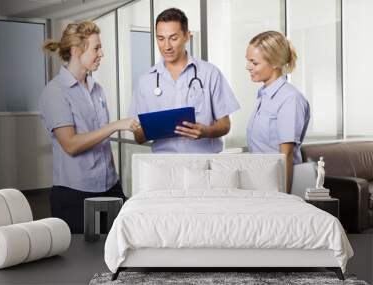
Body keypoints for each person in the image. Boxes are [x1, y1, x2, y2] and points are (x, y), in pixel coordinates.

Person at [39, 21, 139, 233]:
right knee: (78, 260)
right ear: (76, 50)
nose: (101, 53)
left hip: (110, 187)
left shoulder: (97, 89)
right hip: (75, 193)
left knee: (117, 250)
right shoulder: (56, 92)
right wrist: (116, 125)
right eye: (96, 48)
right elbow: (71, 145)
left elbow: (100, 140)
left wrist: (115, 179)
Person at [128, 8, 240, 153]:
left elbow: (225, 125)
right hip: (164, 165)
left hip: (203, 163)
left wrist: (206, 131)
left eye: (173, 38)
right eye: (161, 38)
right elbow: (138, 137)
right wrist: (151, 129)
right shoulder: (145, 81)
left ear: (187, 36)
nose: (166, 46)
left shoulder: (210, 73)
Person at [245, 31, 310, 194]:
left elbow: (286, 154)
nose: (248, 66)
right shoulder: (264, 96)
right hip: (260, 183)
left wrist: (283, 198)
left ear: (274, 63)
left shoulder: (289, 99)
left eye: (254, 62)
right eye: (248, 61)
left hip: (279, 187)